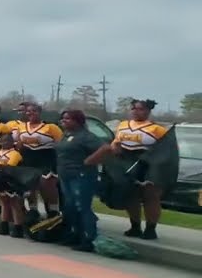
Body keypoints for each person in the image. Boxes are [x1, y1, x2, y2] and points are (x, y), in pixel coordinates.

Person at [99, 99, 169, 240]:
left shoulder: (157, 129)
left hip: (147, 164)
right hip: (126, 162)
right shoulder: (123, 125)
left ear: (148, 111)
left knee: (150, 197)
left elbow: (167, 149)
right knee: (131, 195)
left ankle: (150, 228)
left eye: (140, 109)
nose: (136, 111)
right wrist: (114, 148)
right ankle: (135, 226)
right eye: (134, 109)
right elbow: (116, 142)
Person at [52, 109, 104, 251]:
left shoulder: (86, 136)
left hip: (81, 176)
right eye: (63, 119)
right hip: (65, 175)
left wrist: (89, 161)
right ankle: (76, 234)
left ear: (78, 121)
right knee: (70, 206)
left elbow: (105, 148)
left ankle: (89, 238)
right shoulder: (66, 135)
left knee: (82, 206)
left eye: (68, 119)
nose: (64, 121)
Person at [12, 102, 63, 220]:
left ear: (40, 112)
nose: (31, 113)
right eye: (28, 111)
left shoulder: (51, 127)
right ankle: (33, 209)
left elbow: (61, 144)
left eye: (34, 110)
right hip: (27, 158)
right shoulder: (21, 127)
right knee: (30, 186)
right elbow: (18, 145)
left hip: (46, 158)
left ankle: (53, 210)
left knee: (47, 185)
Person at [0, 133, 27, 237]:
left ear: (12, 142)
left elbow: (11, 166)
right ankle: (4, 225)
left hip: (12, 182)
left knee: (15, 204)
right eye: (3, 140)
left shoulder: (15, 153)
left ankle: (18, 227)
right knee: (4, 203)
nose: (5, 143)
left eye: (8, 141)